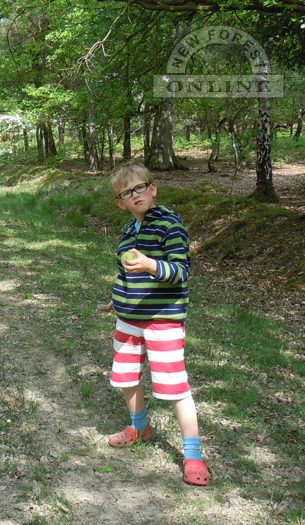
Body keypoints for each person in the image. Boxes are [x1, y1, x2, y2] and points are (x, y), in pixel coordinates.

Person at [103, 161, 211, 486]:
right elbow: (125, 273)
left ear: (152, 189)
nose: (135, 195)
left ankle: (193, 454)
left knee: (175, 386)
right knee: (124, 378)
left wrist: (152, 265)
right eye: (127, 192)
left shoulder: (170, 225)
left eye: (140, 187)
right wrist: (118, 297)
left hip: (162, 319)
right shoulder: (128, 231)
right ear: (120, 202)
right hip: (129, 318)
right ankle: (140, 427)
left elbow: (180, 271)